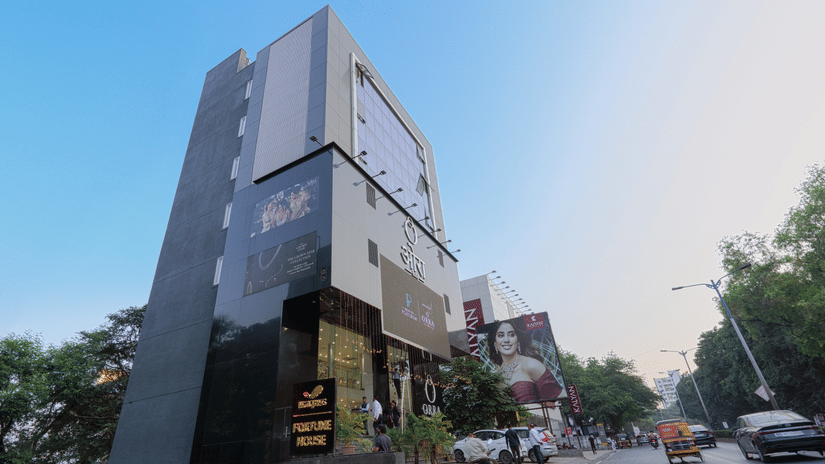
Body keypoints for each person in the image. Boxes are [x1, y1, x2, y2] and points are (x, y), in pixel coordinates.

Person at [486, 320, 563, 403]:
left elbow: (560, 398)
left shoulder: (531, 365)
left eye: (511, 335)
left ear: (518, 340)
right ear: (495, 343)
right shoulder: (494, 377)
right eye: (500, 335)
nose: (506, 340)